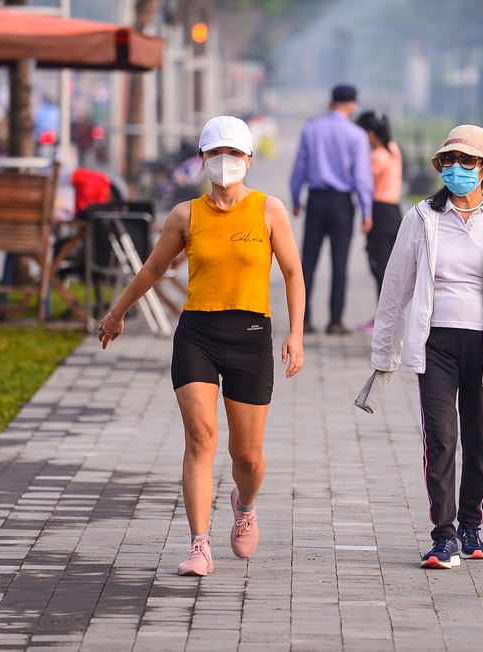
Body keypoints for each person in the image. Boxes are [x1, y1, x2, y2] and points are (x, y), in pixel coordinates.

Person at [97, 115, 305, 576]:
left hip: (251, 337)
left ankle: (244, 503)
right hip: (197, 336)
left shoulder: (270, 211)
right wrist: (117, 312)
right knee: (201, 438)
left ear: (249, 159)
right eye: (216, 154)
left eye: (233, 154)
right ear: (202, 159)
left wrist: (296, 333)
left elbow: (293, 272)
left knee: (246, 456)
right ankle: (199, 544)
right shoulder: (184, 215)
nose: (225, 162)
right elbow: (153, 269)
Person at [369, 124, 483, 569]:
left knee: (478, 440)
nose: (457, 168)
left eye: (468, 161)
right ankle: (443, 536)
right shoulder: (422, 218)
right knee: (442, 439)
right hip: (437, 344)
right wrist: (384, 354)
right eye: (450, 160)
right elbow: (396, 288)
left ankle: (470, 526)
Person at [290, 84, 374, 335]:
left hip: (316, 201)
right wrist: (366, 210)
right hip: (341, 204)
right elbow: (361, 177)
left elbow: (299, 168)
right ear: (353, 105)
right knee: (340, 264)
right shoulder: (356, 135)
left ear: (331, 102)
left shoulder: (311, 129)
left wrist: (296, 199)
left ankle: (303, 320)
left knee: (308, 262)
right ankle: (335, 321)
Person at [354, 110, 403, 332]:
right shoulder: (393, 149)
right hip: (393, 210)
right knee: (388, 267)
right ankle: (385, 318)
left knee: (379, 267)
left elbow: (364, 184)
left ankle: (383, 320)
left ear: (370, 133)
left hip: (380, 212)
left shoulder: (377, 157)